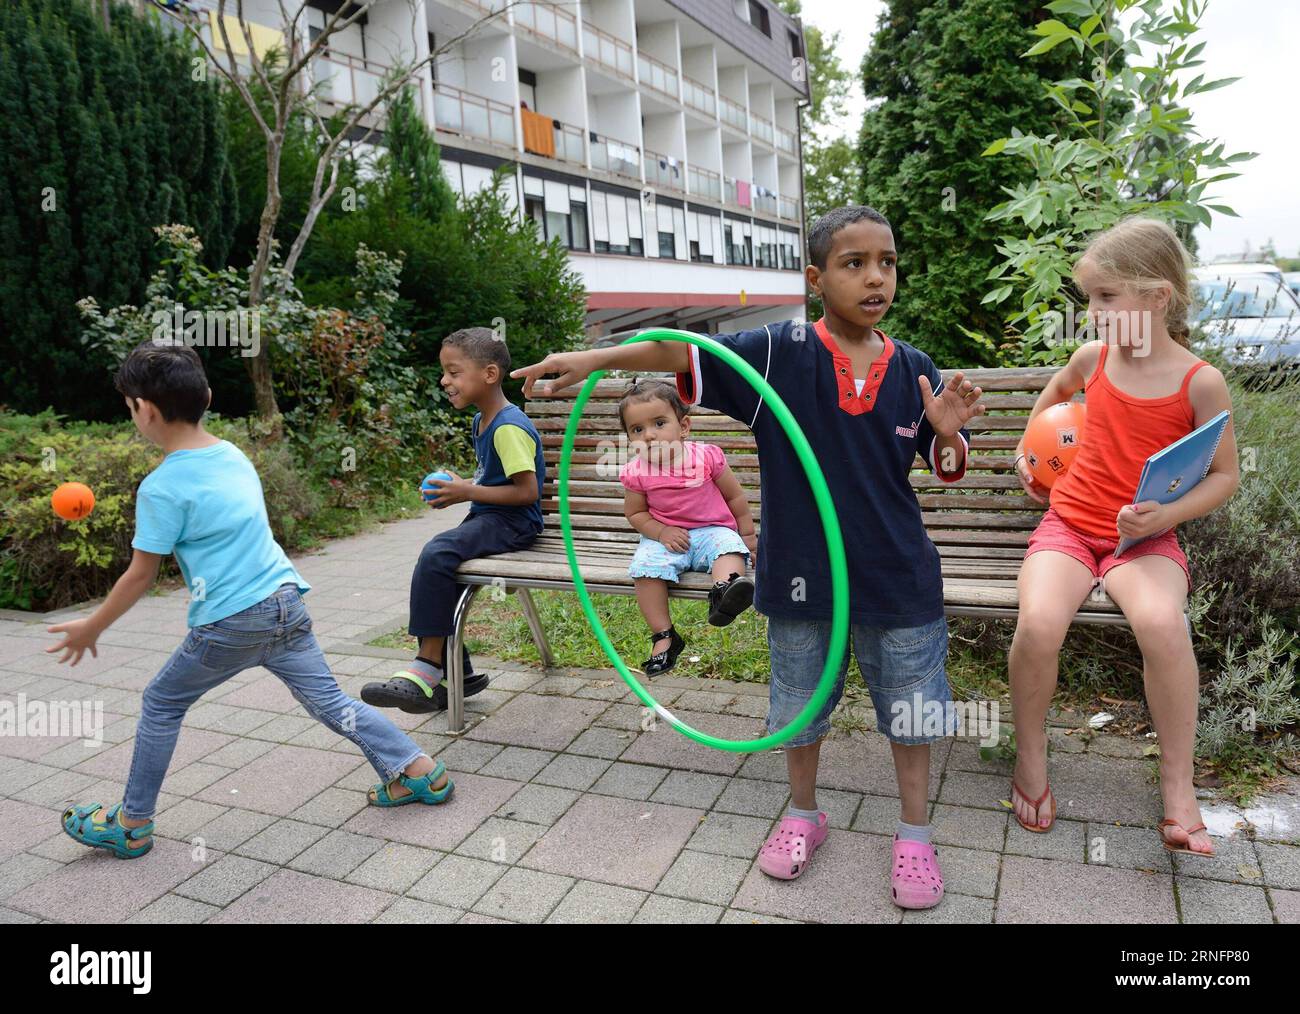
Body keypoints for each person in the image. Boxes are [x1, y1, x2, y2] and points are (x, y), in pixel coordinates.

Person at [50, 343, 452, 860]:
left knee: (161, 702)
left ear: (144, 411)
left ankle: (131, 824)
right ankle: (420, 771)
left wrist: (93, 627)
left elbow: (140, 576)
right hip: (286, 603)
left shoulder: (160, 488)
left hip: (231, 622)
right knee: (331, 703)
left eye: (129, 407)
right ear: (209, 397)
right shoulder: (233, 454)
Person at [1008, 217, 1238, 856]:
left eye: (1106, 298)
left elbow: (1225, 477)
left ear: (1157, 298)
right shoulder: (1093, 360)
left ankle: (1178, 789)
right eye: (1089, 298)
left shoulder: (1200, 382)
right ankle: (1029, 760)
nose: (1093, 312)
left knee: (1163, 625)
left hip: (1143, 540)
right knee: (1039, 624)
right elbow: (1056, 394)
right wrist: (1032, 457)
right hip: (1072, 527)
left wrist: (1165, 517)